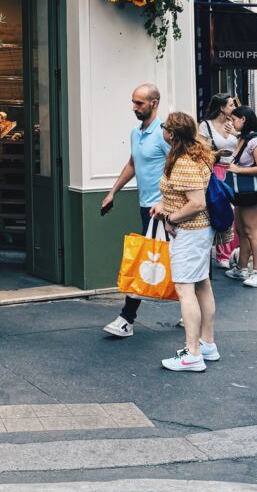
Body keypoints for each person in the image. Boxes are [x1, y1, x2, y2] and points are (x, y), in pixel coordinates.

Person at [150, 111, 218, 372]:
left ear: (171, 134)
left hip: (189, 232)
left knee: (185, 289)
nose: (163, 131)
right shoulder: (196, 154)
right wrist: (164, 204)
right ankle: (207, 343)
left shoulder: (184, 162)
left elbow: (197, 203)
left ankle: (192, 353)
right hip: (199, 232)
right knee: (202, 284)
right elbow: (187, 194)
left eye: (165, 127)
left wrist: (171, 218)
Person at [101, 83, 169, 338]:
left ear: (154, 103)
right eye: (133, 102)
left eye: (139, 103)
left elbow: (178, 167)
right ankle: (192, 309)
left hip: (162, 210)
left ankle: (126, 319)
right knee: (172, 259)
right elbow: (132, 163)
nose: (134, 108)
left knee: (143, 260)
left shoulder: (164, 134)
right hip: (146, 207)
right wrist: (112, 192)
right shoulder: (136, 133)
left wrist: (166, 202)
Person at [225, 106, 257, 288]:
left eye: (234, 119)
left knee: (253, 232)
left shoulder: (254, 141)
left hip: (251, 193)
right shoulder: (242, 138)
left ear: (243, 119)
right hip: (241, 193)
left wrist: (239, 169)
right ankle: (242, 267)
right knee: (242, 231)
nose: (232, 122)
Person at [199, 93, 240, 268]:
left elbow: (244, 146)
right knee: (220, 211)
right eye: (231, 105)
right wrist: (215, 155)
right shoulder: (206, 126)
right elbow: (200, 150)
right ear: (222, 107)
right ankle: (222, 254)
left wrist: (238, 134)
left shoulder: (234, 124)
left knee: (234, 214)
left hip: (233, 171)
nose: (234, 108)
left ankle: (233, 251)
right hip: (215, 172)